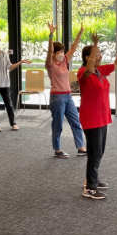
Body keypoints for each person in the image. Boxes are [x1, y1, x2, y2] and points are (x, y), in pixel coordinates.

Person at [78, 30, 117, 200]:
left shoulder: (100, 71)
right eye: (96, 54)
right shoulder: (83, 74)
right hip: (91, 119)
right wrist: (94, 45)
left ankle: (92, 179)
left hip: (102, 118)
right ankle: (90, 189)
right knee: (94, 152)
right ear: (88, 57)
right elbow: (89, 67)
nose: (99, 55)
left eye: (99, 53)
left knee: (99, 152)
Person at [45, 22, 86, 158]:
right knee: (58, 125)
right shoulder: (50, 64)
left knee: (76, 121)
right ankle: (57, 150)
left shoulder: (64, 61)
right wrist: (51, 35)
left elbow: (74, 47)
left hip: (68, 97)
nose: (62, 54)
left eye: (62, 51)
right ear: (54, 54)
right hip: (57, 97)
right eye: (59, 52)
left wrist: (80, 33)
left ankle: (80, 147)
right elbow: (50, 51)